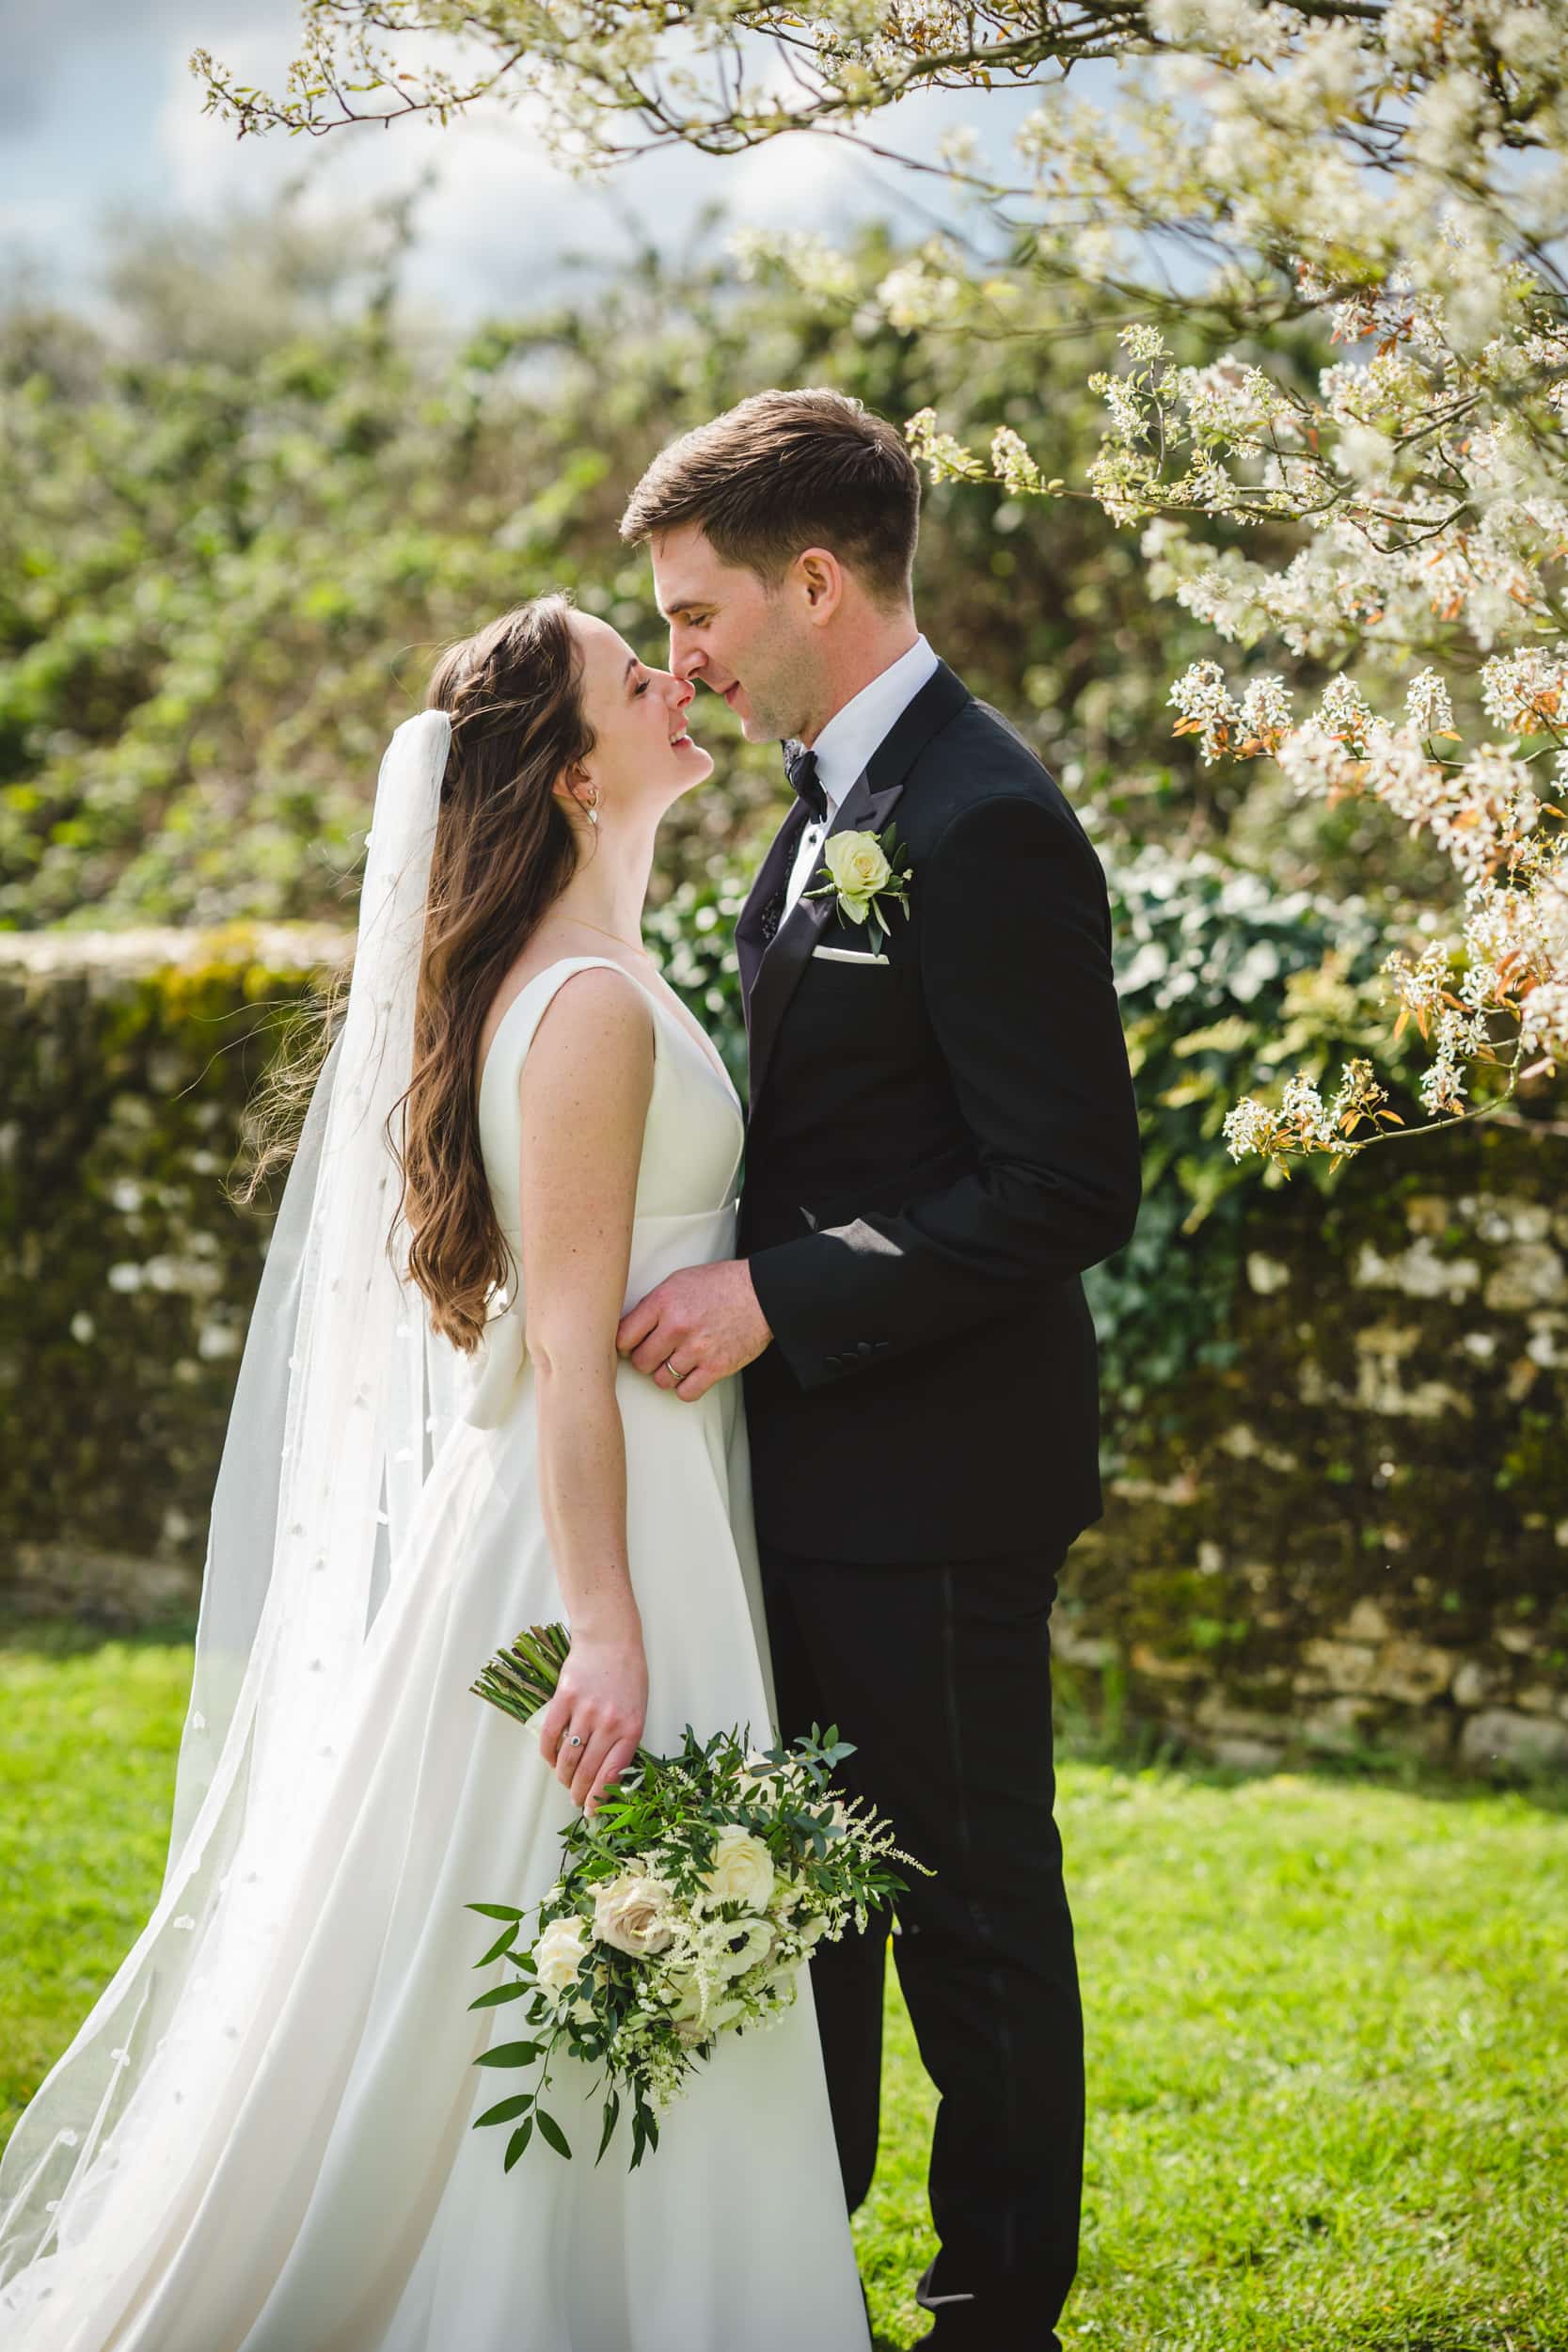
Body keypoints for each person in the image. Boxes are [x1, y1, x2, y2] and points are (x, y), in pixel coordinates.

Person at [0, 595, 871, 2351]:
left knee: (597, 1934)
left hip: (644, 1503)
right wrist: (609, 1629)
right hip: (598, 1539)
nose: (675, 678)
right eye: (638, 679)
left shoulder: (592, 975)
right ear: (569, 771)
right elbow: (565, 1342)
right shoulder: (587, 1011)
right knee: (575, 1919)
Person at [614, 389, 1143, 2351]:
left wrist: (781, 1297)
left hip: (940, 1481)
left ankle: (995, 2308)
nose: (682, 654)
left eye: (694, 613)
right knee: (814, 1902)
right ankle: (787, 2278)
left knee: (972, 1914)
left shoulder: (985, 817)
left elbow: (1069, 1182)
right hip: (815, 1476)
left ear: (812, 580)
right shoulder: (832, 804)